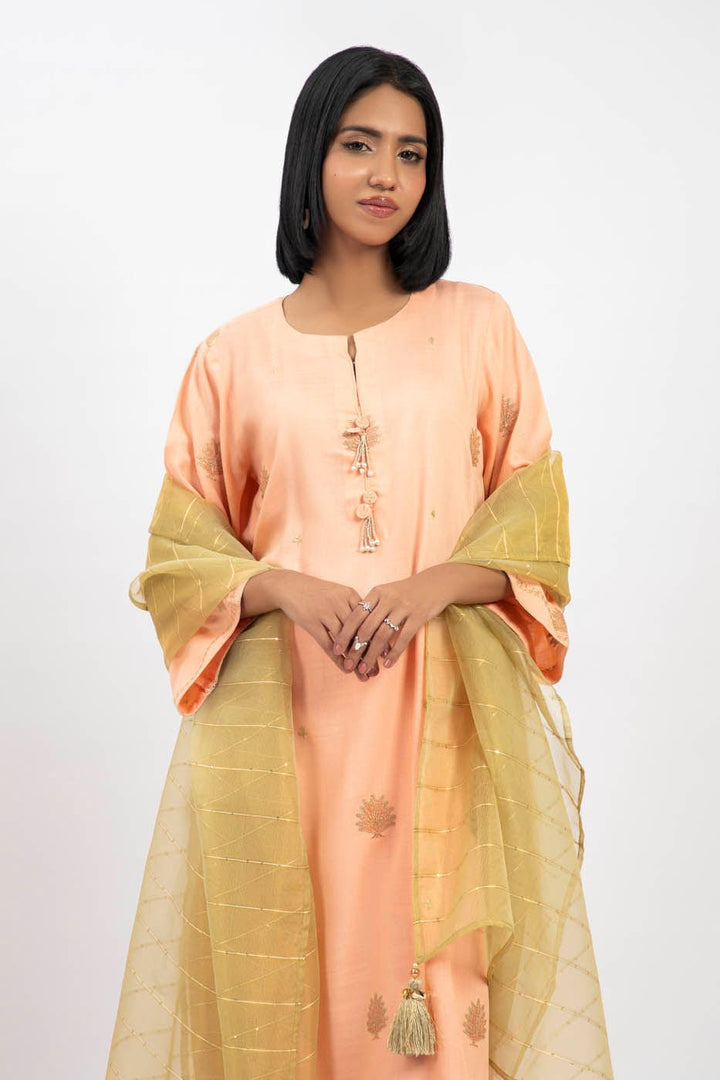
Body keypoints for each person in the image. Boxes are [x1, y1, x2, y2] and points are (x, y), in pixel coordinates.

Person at [106, 45, 613, 1080]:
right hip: (287, 725)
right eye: (360, 145)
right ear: (313, 156)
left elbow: (534, 528)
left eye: (412, 154)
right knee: (295, 989)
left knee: (439, 989)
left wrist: (434, 586)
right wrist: (279, 585)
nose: (387, 175)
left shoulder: (479, 327)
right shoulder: (230, 358)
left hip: (440, 719)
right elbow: (177, 561)